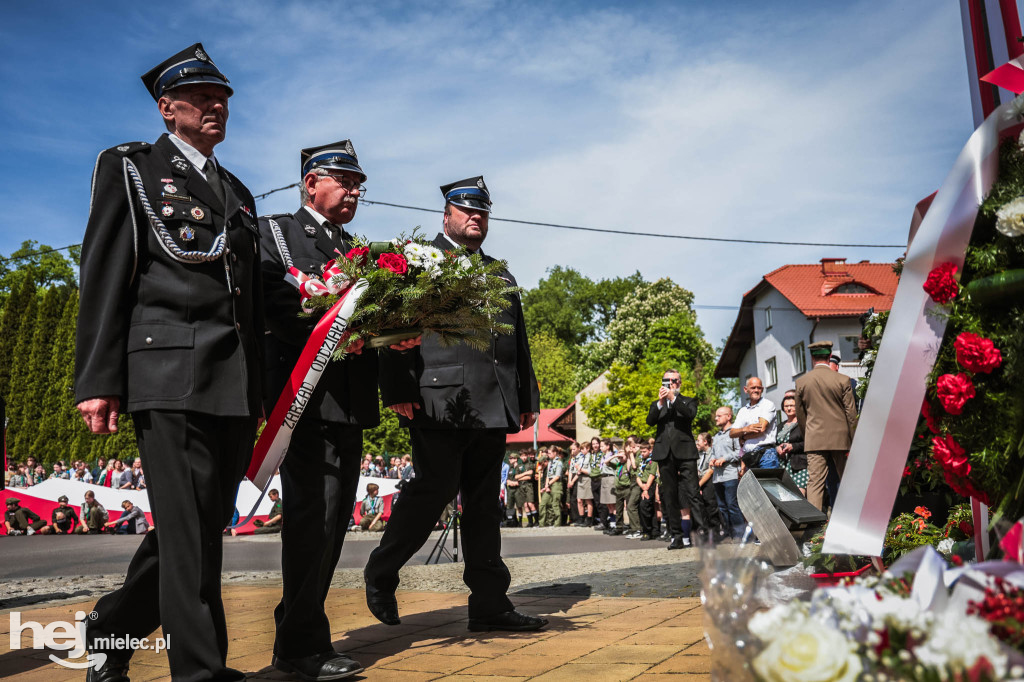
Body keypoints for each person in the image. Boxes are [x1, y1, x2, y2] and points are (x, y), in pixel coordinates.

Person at [73, 43, 263, 682]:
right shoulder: (132, 168)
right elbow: (104, 274)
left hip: (234, 381)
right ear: (167, 107)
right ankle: (200, 670)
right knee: (188, 535)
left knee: (200, 527)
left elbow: (253, 297)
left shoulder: (234, 189)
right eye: (204, 98)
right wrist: (99, 380)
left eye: (224, 99)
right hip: (169, 374)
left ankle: (112, 627)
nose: (217, 107)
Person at [258, 140, 422, 681]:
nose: (354, 192)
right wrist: (336, 331)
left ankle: (302, 630)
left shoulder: (357, 249)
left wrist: (390, 336)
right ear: (311, 183)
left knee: (331, 526)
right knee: (312, 520)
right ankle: (299, 644)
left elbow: (364, 319)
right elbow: (276, 305)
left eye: (359, 185)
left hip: (347, 401)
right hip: (304, 399)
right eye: (344, 181)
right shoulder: (278, 233)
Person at [368, 175, 545, 633]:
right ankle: (382, 569)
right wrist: (399, 389)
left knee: (485, 505)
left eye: (482, 212)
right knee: (435, 490)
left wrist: (527, 396)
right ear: (446, 214)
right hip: (438, 399)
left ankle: (489, 603)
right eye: (467, 210)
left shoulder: (500, 272)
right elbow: (392, 328)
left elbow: (516, 341)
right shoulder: (421, 262)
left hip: (493, 402)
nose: (476, 218)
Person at [795, 341, 857, 512]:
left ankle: (814, 531)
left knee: (815, 484)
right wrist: (853, 440)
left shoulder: (802, 382)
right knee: (847, 480)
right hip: (841, 439)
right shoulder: (843, 380)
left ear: (812, 357)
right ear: (830, 356)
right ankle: (853, 518)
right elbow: (851, 414)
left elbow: (801, 416)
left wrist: (808, 437)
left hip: (814, 439)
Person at [647, 368, 704, 549]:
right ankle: (676, 536)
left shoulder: (688, 400)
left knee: (693, 493)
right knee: (669, 497)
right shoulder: (658, 404)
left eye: (674, 381)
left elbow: (689, 415)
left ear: (679, 383)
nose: (671, 384)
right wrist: (662, 402)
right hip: (665, 453)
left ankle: (702, 534)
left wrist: (673, 398)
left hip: (685, 452)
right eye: (667, 381)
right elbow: (650, 421)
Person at [710, 406, 745, 539]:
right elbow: (713, 453)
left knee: (732, 505)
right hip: (717, 477)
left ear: (729, 416)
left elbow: (739, 452)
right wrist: (712, 460)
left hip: (730, 475)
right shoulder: (717, 436)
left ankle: (740, 534)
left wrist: (725, 458)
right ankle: (729, 533)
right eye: (716, 416)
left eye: (719, 416)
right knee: (722, 507)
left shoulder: (734, 433)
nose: (716, 418)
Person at [731, 377, 778, 469]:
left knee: (767, 483)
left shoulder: (767, 405)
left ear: (762, 389)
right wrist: (746, 429)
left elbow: (760, 429)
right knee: (753, 483)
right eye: (753, 388)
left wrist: (743, 436)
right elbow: (732, 433)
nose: (756, 390)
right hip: (749, 456)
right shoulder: (743, 410)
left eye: (759, 388)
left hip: (766, 454)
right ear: (746, 389)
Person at [776, 395, 807, 497]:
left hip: (799, 465)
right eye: (786, 406)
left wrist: (793, 446)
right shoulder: (780, 426)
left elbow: (809, 443)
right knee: (785, 496)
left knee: (798, 496)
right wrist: (777, 448)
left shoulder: (803, 423)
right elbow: (774, 442)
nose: (789, 408)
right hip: (783, 465)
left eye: (792, 405)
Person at [634, 443, 659, 540]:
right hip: (642, 485)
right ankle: (653, 530)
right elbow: (637, 475)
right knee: (644, 508)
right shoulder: (641, 461)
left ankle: (648, 531)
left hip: (650, 485)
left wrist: (646, 488)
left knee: (645, 507)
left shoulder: (653, 461)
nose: (643, 454)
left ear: (650, 450)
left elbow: (652, 474)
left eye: (644, 452)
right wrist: (641, 486)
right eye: (641, 452)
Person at [539, 447, 563, 527]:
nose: (548, 455)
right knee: (542, 504)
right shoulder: (550, 462)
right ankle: (542, 523)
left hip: (556, 484)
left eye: (549, 453)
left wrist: (548, 484)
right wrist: (546, 486)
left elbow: (557, 476)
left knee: (555, 505)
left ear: (555, 453)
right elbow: (548, 476)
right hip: (549, 484)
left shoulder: (559, 462)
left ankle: (557, 523)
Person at [514, 450, 538, 527]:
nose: (524, 457)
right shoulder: (519, 466)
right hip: (521, 487)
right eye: (522, 456)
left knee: (530, 504)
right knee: (525, 505)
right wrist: (524, 474)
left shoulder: (530, 464)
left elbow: (530, 475)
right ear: (520, 457)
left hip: (529, 486)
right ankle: (530, 522)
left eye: (525, 456)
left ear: (527, 456)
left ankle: (536, 521)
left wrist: (521, 476)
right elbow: (516, 477)